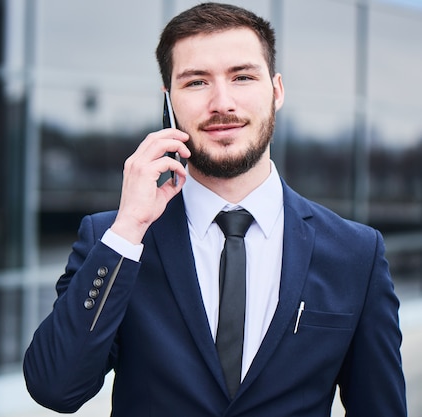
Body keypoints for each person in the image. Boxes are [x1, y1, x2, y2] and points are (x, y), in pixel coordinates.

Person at [23, 3, 407, 416]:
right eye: (196, 82)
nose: (222, 103)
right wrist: (128, 230)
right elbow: (54, 387)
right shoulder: (114, 240)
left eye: (242, 77)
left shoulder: (355, 253)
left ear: (276, 91)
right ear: (168, 101)